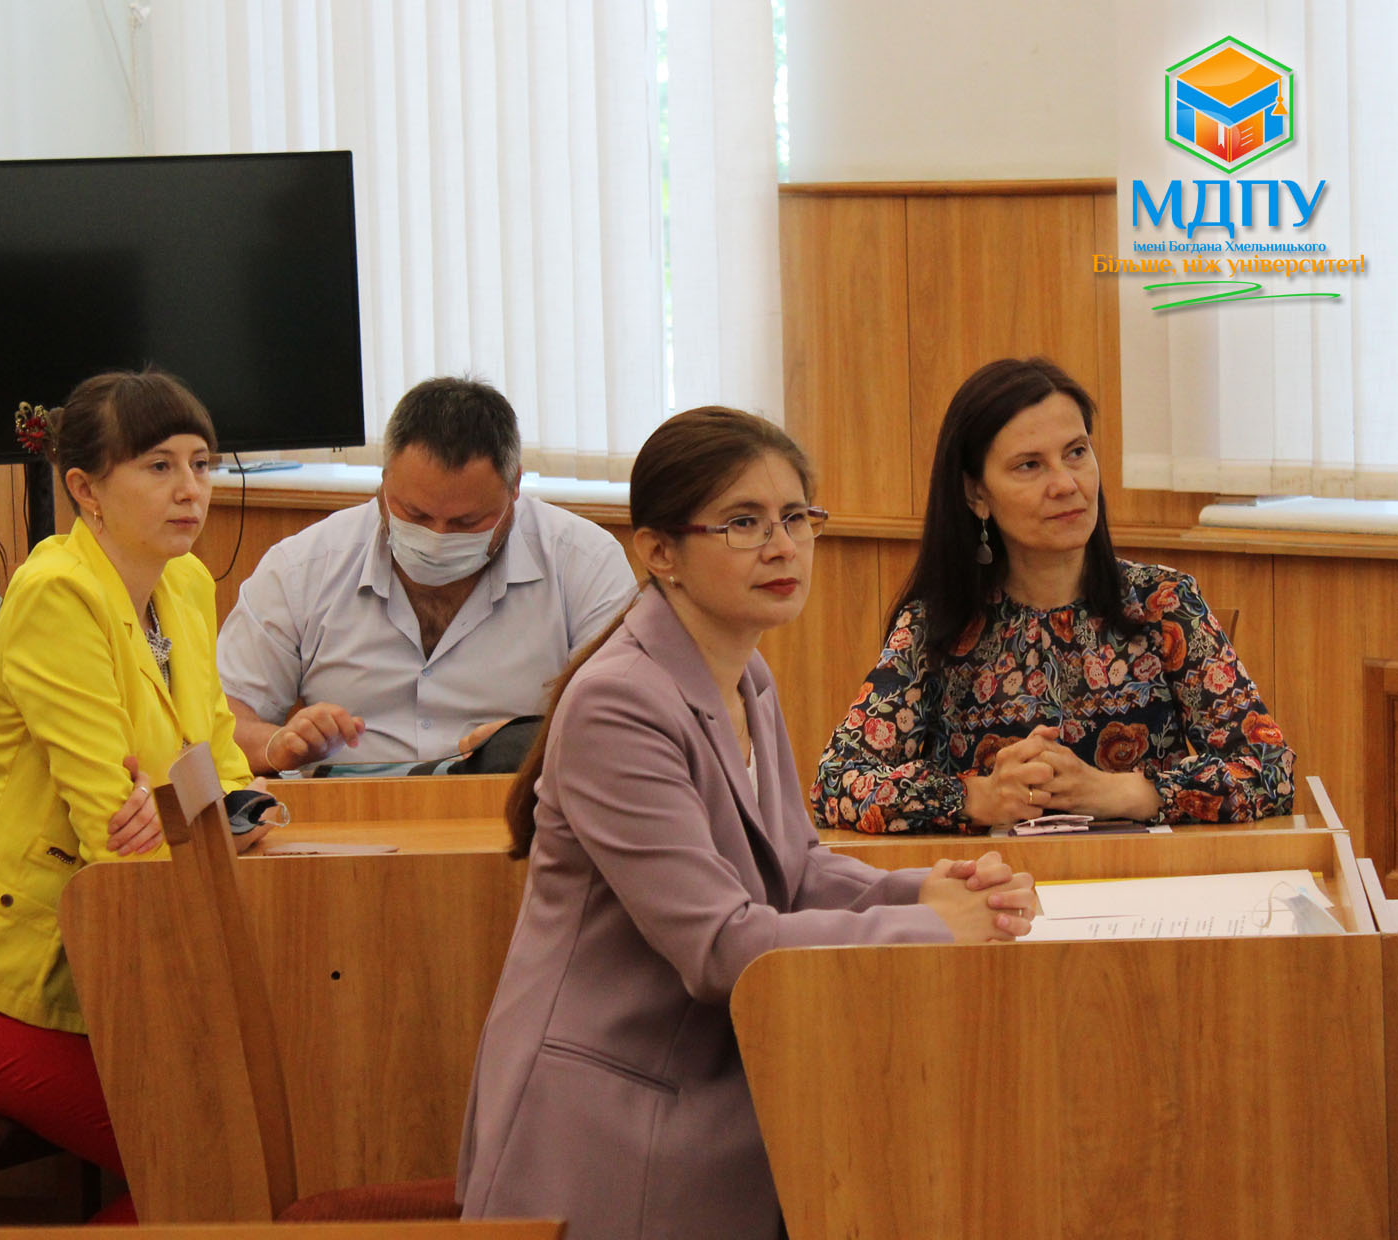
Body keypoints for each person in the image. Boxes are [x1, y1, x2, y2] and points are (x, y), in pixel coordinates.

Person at [456, 407, 1037, 1240]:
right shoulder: (618, 702)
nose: (782, 547)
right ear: (659, 553)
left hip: (717, 1088)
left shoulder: (747, 675)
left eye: (796, 518)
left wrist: (922, 888)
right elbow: (720, 946)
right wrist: (932, 927)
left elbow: (796, 868)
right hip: (612, 1117)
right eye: (743, 523)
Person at [0, 370, 262, 1222]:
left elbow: (225, 772)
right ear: (86, 489)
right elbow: (118, 836)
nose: (191, 489)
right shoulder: (56, 592)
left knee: (241, 1135)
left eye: (202, 463)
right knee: (201, 1150)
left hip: (84, 967)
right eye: (158, 466)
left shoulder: (186, 583)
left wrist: (195, 808)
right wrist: (190, 809)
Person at [814, 357, 1296, 834]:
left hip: (1141, 875)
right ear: (976, 494)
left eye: (1076, 453)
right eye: (1029, 465)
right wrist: (977, 797)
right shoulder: (936, 623)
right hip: (993, 876)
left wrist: (1117, 793)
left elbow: (1269, 770)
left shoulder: (1162, 603)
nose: (1066, 484)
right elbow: (836, 783)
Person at [217, 376, 637, 773]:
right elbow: (220, 721)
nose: (436, 539)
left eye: (467, 522)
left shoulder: (584, 563)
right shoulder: (302, 567)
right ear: (384, 480)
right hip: (348, 807)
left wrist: (535, 745)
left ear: (515, 488)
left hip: (516, 803)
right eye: (414, 515)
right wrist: (279, 745)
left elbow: (628, 724)